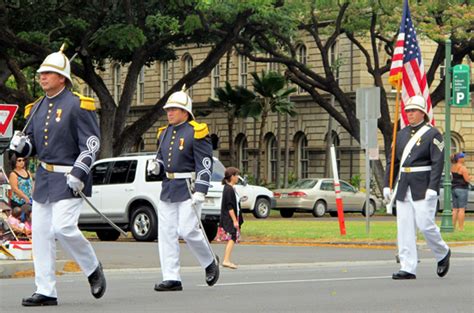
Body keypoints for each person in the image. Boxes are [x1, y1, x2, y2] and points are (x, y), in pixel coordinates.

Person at [9, 46, 105, 306]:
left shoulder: (78, 105)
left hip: (69, 179)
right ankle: (46, 290)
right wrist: (21, 146)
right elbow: (35, 147)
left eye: (48, 73)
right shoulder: (36, 108)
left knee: (63, 228)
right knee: (40, 234)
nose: (42, 77)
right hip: (44, 179)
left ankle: (93, 267)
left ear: (62, 77)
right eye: (41, 73)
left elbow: (92, 145)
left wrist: (79, 171)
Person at [148, 85, 219, 291]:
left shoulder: (196, 131)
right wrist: (156, 167)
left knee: (188, 231)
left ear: (185, 112)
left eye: (173, 109)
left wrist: (201, 190)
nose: (169, 112)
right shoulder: (164, 133)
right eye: (168, 109)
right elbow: (162, 160)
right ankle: (171, 277)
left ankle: (208, 262)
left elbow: (205, 163)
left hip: (189, 188)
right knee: (167, 233)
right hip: (168, 187)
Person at [383, 95, 451, 280]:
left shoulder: (433, 134)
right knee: (404, 227)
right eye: (407, 111)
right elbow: (393, 162)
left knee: (425, 224)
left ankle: (442, 252)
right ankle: (408, 266)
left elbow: (438, 163)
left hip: (423, 185)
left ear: (422, 113)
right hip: (404, 184)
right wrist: (387, 185)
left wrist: (433, 187)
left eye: (413, 111)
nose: (409, 114)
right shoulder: (401, 133)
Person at [219, 167, 244, 269]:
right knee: (233, 237)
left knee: (233, 237)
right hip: (229, 217)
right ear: (232, 176)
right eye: (236, 175)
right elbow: (229, 207)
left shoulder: (230, 188)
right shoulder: (228, 189)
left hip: (233, 216)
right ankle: (226, 260)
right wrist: (234, 220)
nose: (238, 177)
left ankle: (226, 259)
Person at [451, 152, 471, 231]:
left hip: (454, 189)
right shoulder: (463, 168)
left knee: (455, 209)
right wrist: (470, 177)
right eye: (463, 157)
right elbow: (466, 180)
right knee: (462, 209)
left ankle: (453, 227)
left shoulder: (453, 167)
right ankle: (461, 228)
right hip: (462, 189)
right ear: (459, 159)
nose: (464, 158)